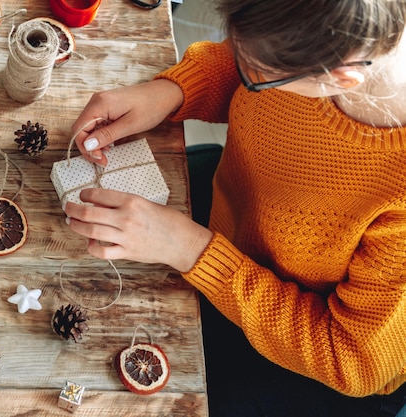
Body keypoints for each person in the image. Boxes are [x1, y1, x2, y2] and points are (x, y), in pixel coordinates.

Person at [63, 1, 406, 416]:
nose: (246, 73)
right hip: (225, 221)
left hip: (297, 352)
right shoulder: (321, 40)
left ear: (341, 78)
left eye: (256, 77)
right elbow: (249, 57)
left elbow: (354, 362)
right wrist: (171, 91)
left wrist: (191, 250)